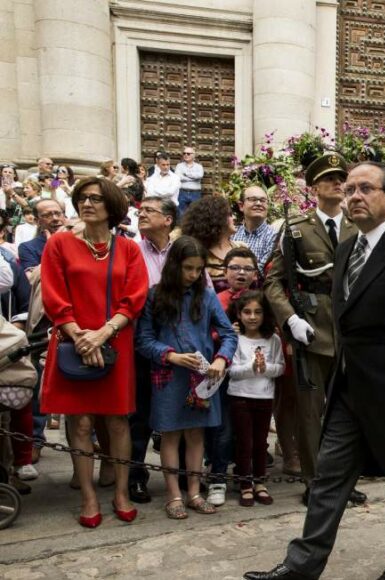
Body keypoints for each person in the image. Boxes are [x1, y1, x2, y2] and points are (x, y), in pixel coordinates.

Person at [246, 161, 385, 580]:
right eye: (350, 190)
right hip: (347, 389)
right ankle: (302, 565)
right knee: (328, 477)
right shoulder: (346, 248)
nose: (354, 196)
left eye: (365, 188)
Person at [39, 177, 150, 528]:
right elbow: (53, 295)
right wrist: (80, 337)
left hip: (114, 341)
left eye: (96, 199)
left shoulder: (129, 249)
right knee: (82, 422)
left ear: (112, 206)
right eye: (83, 198)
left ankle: (121, 493)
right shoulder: (59, 244)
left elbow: (135, 298)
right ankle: (88, 497)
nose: (87, 203)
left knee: (117, 421)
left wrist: (102, 334)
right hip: (72, 342)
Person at [263, 152, 363, 506]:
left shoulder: (357, 228)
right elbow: (273, 282)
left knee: (349, 411)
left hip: (350, 332)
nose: (338, 183)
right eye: (329, 179)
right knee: (310, 413)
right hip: (313, 329)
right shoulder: (296, 229)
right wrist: (291, 319)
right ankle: (316, 481)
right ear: (314, 188)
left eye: (341, 178)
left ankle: (344, 479)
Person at [135, 235, 238, 520]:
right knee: (170, 435)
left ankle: (194, 492)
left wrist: (221, 358)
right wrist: (170, 356)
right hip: (168, 377)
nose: (193, 275)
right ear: (174, 265)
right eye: (188, 268)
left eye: (198, 269)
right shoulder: (155, 296)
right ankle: (173, 495)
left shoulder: (206, 296)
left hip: (203, 379)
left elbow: (228, 334)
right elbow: (143, 339)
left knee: (196, 434)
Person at [127, 196, 178, 504]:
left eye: (149, 210)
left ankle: (183, 476)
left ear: (168, 219)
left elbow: (204, 291)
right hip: (141, 342)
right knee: (139, 414)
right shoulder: (131, 251)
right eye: (140, 210)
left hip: (178, 342)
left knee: (182, 409)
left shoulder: (183, 252)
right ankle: (135, 477)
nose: (141, 214)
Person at [227, 290, 285, 507]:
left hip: (264, 397)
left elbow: (280, 367)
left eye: (257, 312)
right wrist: (251, 367)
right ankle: (245, 484)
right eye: (247, 312)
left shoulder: (273, 339)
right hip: (240, 397)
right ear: (239, 314)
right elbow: (231, 371)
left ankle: (260, 482)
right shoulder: (235, 338)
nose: (252, 317)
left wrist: (265, 367)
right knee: (244, 442)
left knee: (261, 442)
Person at [181, 195, 243, 292]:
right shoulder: (196, 252)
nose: (234, 218)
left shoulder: (241, 248)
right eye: (230, 215)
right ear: (216, 219)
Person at [232, 186, 278, 271]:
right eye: (253, 199)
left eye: (263, 200)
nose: (259, 203)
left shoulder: (274, 236)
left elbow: (261, 270)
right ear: (241, 206)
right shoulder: (232, 234)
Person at [17, 198, 66, 268]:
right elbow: (32, 274)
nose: (55, 218)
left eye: (58, 213)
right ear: (37, 221)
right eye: (47, 215)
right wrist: (52, 249)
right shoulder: (27, 248)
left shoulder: (78, 239)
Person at [175, 146, 205, 215]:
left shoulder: (199, 166)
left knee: (196, 213)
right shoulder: (179, 166)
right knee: (181, 214)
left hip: (195, 193)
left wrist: (185, 174)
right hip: (182, 192)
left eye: (188, 153)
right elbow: (178, 177)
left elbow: (199, 176)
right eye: (184, 153)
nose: (186, 155)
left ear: (193, 155)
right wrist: (193, 178)